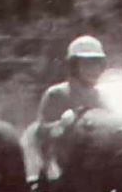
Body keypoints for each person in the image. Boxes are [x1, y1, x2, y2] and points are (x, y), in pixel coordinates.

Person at [33, 35, 107, 184]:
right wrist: (62, 124)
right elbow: (40, 132)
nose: (93, 70)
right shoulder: (57, 94)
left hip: (101, 157)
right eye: (86, 64)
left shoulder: (103, 95)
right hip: (66, 162)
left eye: (97, 64)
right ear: (74, 67)